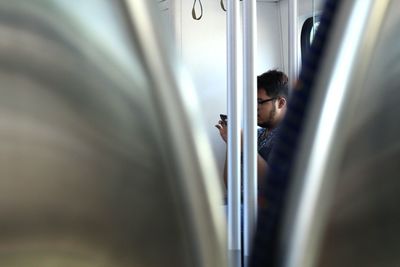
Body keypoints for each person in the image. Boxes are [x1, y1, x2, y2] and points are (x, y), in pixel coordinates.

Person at [215, 69, 289, 194]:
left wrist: (245, 145)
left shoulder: (290, 138)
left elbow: (274, 185)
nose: (254, 107)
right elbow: (231, 186)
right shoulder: (255, 135)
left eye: (260, 101)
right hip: (242, 208)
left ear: (280, 103)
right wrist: (232, 142)